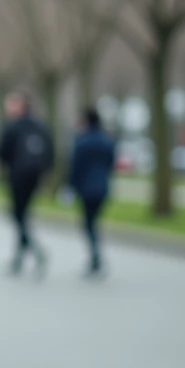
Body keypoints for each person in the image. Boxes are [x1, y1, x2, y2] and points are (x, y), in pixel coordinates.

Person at [0, 91, 54, 276]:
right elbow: (50, 151)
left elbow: (2, 151)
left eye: (11, 104)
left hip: (17, 175)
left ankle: (35, 250)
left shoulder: (13, 126)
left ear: (19, 105)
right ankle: (19, 257)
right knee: (22, 214)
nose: (8, 108)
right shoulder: (39, 125)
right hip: (34, 177)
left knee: (17, 215)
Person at [67, 107, 116, 276]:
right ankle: (96, 255)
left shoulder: (82, 141)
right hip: (103, 187)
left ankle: (95, 256)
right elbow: (111, 163)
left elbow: (75, 166)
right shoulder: (106, 140)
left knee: (88, 224)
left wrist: (70, 186)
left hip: (86, 188)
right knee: (93, 223)